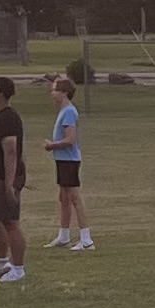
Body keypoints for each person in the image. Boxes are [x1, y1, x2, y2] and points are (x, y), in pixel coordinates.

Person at [0, 77, 31, 283]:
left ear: (0, 93)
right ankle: (2, 261)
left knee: (10, 222)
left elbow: (11, 151)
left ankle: (18, 268)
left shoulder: (8, 118)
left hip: (3, 178)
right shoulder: (0, 117)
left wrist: (10, 184)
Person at [46, 73, 89, 251]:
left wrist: (52, 145)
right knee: (63, 198)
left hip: (69, 160)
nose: (52, 93)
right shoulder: (63, 111)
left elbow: (70, 140)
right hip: (62, 160)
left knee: (74, 197)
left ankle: (86, 239)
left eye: (55, 90)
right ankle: (63, 236)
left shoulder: (69, 112)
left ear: (64, 92)